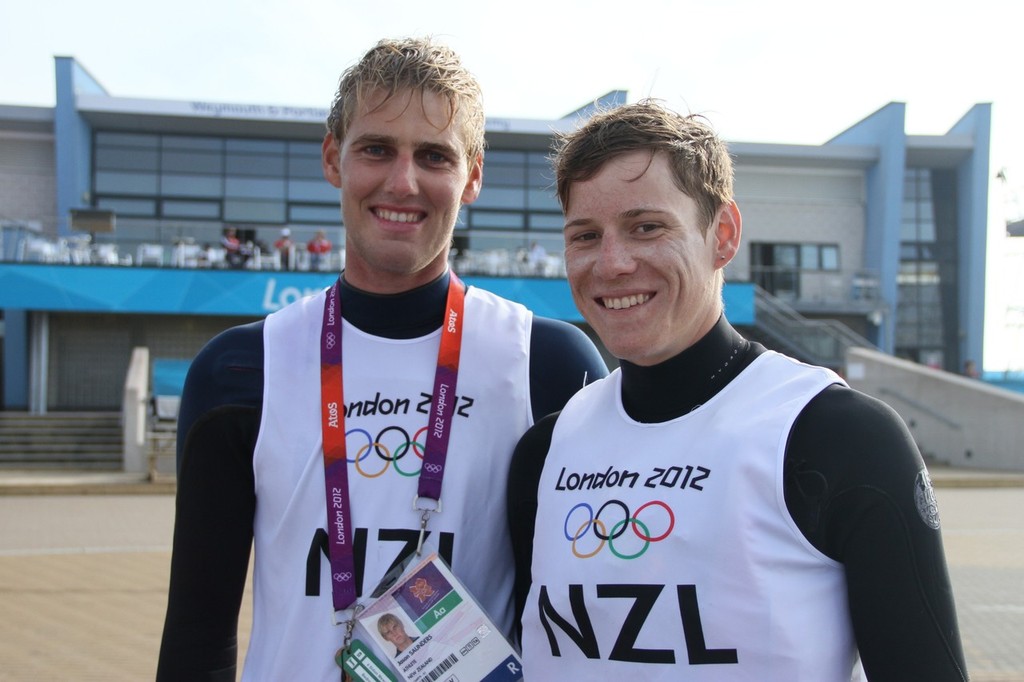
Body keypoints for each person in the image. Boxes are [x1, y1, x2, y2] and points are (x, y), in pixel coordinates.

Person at [156, 37, 608, 681]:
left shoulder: (548, 364)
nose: (403, 182)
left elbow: (574, 630)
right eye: (376, 149)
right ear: (333, 158)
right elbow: (198, 631)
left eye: (434, 156)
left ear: (473, 174)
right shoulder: (241, 369)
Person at [508, 101, 969, 681]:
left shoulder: (839, 434)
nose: (612, 263)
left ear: (722, 235)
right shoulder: (544, 452)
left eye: (646, 227)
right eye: (585, 235)